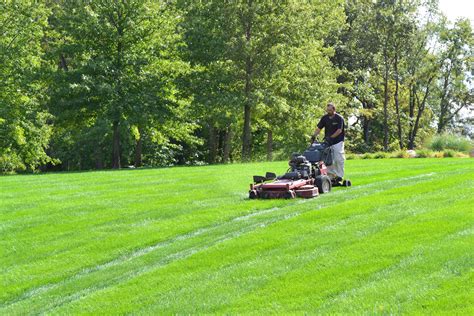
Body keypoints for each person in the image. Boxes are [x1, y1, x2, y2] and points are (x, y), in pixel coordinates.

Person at [312, 103, 345, 181]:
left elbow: (339, 130)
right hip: (328, 142)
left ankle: (339, 176)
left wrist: (331, 137)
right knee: (327, 159)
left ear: (334, 109)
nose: (328, 112)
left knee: (338, 159)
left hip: (338, 141)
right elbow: (319, 128)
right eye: (327, 110)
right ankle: (330, 176)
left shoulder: (339, 118)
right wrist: (314, 136)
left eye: (330, 110)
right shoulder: (324, 118)